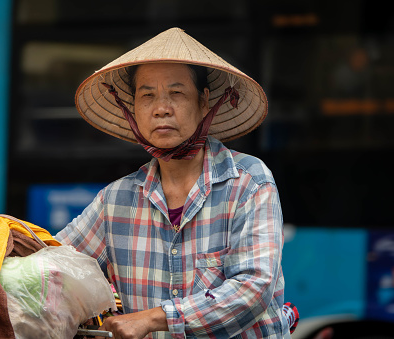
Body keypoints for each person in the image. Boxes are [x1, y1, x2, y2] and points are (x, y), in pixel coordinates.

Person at [55, 27, 291, 338]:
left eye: (176, 93)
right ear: (134, 108)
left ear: (204, 101)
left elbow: (253, 289)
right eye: (147, 95)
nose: (161, 107)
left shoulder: (248, 182)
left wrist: (153, 319)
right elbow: (55, 264)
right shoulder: (115, 200)